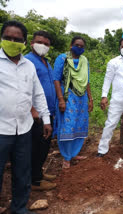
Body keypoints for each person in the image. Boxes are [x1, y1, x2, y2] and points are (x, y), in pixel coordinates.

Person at [0, 20, 52, 214]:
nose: (12, 41)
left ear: (24, 42)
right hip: (1, 130)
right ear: (2, 38)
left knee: (22, 172)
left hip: (24, 128)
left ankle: (19, 208)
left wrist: (46, 120)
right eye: (8, 38)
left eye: (17, 39)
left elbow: (37, 94)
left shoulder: (29, 66)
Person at [53, 36, 93, 169]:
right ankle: (66, 157)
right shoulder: (62, 59)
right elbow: (56, 79)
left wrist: (90, 99)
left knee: (79, 125)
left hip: (81, 98)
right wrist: (60, 100)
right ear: (71, 45)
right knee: (67, 126)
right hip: (67, 96)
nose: (79, 48)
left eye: (82, 46)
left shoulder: (84, 60)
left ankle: (74, 153)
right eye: (77, 45)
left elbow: (87, 80)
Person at [25, 31, 57, 191]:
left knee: (44, 145)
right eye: (39, 42)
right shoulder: (28, 61)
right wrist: (33, 109)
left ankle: (38, 172)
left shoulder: (45, 62)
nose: (43, 46)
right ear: (31, 43)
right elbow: (24, 88)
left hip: (47, 111)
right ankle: (35, 180)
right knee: (37, 146)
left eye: (46, 44)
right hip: (35, 114)